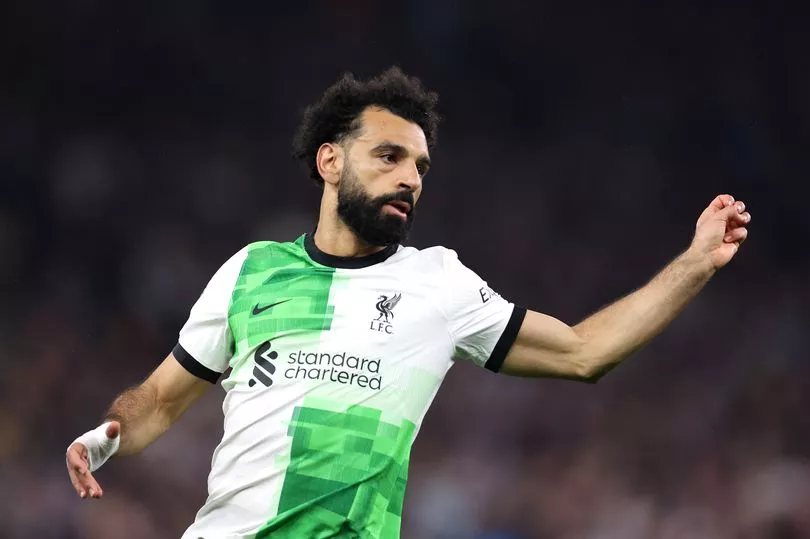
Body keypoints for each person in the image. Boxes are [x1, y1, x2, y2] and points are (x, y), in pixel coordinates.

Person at [65, 67, 752, 538]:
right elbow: (159, 402)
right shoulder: (252, 270)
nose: (410, 178)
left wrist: (694, 264)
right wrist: (103, 438)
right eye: (389, 156)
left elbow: (583, 352)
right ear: (330, 162)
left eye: (420, 166)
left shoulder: (439, 284)